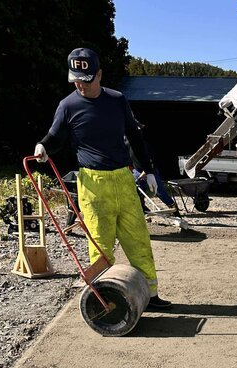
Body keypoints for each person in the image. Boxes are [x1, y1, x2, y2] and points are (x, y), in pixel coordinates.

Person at [34, 47, 171, 310]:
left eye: (86, 80)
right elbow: (55, 137)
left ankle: (151, 295)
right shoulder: (68, 106)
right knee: (99, 245)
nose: (80, 85)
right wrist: (43, 147)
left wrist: (149, 170)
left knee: (138, 239)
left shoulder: (117, 100)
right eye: (76, 80)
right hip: (93, 184)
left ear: (99, 75)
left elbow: (135, 137)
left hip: (123, 179)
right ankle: (103, 299)